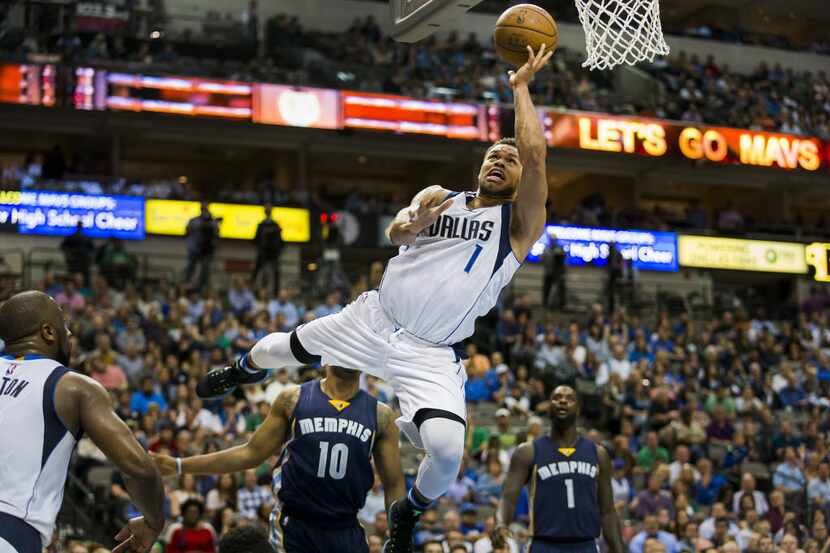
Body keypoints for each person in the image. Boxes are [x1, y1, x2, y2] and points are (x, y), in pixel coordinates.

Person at [194, 43, 553, 552]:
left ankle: (408, 512)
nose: (501, 159)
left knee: (448, 454)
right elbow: (395, 233)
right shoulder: (440, 196)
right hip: (374, 319)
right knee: (276, 350)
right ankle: (239, 372)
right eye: (494, 153)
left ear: (521, 179)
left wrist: (519, 88)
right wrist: (411, 224)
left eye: (510, 159)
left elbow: (537, 154)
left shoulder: (519, 225)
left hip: (429, 353)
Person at [154, 365, 406, 553]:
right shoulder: (293, 399)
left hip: (346, 527)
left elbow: (394, 484)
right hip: (295, 524)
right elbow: (250, 453)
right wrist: (178, 465)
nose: (351, 353)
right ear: (327, 353)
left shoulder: (380, 414)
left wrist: (400, 539)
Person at [0, 290, 165, 553]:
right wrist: (154, 521)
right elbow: (139, 468)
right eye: (64, 326)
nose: (70, 334)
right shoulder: (71, 386)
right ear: (48, 333)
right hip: (10, 530)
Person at [494, 384, 625, 553]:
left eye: (569, 399)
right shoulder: (527, 452)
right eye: (556, 398)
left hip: (585, 545)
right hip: (544, 545)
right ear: (549, 407)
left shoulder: (598, 454)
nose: (562, 401)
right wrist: (500, 523)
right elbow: (508, 498)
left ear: (578, 409)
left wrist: (618, 549)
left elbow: (608, 512)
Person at [185, 202, 219, 292]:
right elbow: (187, 233)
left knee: (205, 267)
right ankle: (187, 282)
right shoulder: (194, 221)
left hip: (206, 250)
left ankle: (203, 285)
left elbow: (215, 236)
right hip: (195, 248)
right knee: (191, 266)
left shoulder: (212, 221)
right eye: (203, 208)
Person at [252, 205, 284, 294]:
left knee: (275, 273)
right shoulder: (262, 225)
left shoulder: (275, 225)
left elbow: (280, 241)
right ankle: (257, 291)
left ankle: (275, 292)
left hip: (272, 253)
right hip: (264, 253)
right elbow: (256, 240)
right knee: (258, 272)